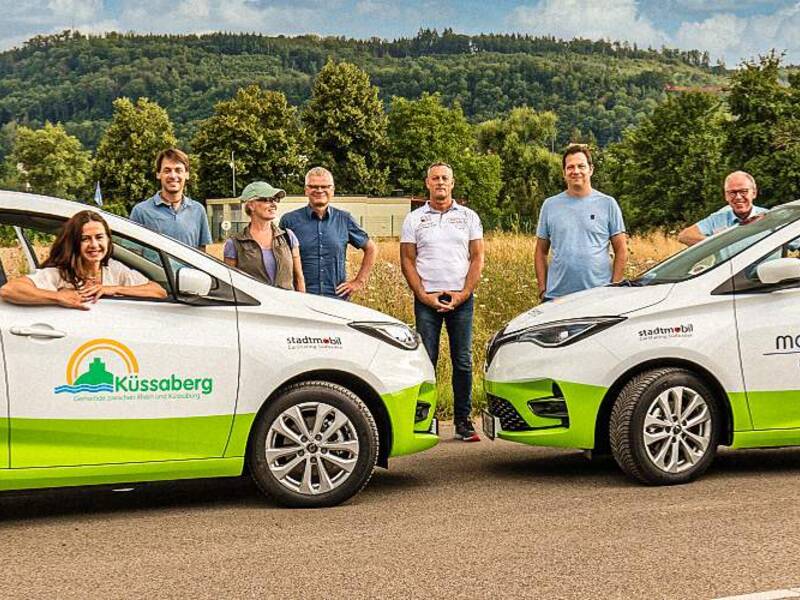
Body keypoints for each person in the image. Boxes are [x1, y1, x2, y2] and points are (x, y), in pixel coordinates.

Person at [400, 162, 485, 442]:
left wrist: (462, 294)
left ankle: (463, 422)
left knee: (462, 361)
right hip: (427, 299)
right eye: (435, 178)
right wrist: (423, 295)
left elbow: (477, 258)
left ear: (452, 183)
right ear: (427, 183)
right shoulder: (414, 219)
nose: (440, 182)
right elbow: (407, 260)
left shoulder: (469, 217)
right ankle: (425, 420)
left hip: (461, 298)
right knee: (427, 361)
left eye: (444, 178)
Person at [0, 210, 166, 309]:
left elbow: (159, 291)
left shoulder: (114, 270)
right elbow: (9, 290)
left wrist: (113, 289)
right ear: (74, 243)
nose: (94, 244)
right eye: (85, 239)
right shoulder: (58, 274)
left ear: (108, 240)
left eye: (99, 237)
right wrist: (58, 298)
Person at [535, 144, 627, 301]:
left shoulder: (608, 204)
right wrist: (543, 288)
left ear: (591, 169)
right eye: (570, 167)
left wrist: (614, 288)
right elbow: (540, 251)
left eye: (581, 166)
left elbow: (621, 250)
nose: (575, 171)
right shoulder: (550, 206)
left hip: (598, 296)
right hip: (556, 297)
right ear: (564, 172)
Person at [279, 167, 376, 299]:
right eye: (313, 186)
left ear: (333, 190)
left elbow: (371, 249)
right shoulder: (289, 221)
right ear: (306, 190)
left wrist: (358, 281)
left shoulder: (344, 219)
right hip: (301, 298)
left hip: (336, 298)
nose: (319, 190)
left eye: (325, 186)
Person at [223, 181, 305, 292]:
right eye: (267, 200)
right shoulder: (234, 243)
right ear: (251, 205)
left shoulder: (288, 237)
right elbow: (230, 285)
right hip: (255, 308)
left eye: (274, 200)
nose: (273, 204)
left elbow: (299, 279)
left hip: (286, 307)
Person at [129, 148, 212, 250]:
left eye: (178, 170)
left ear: (187, 174)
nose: (173, 176)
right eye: (167, 170)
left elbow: (202, 254)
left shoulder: (198, 210)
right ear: (158, 174)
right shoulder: (141, 212)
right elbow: (134, 253)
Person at [678, 171, 767, 246]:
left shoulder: (769, 217)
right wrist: (719, 243)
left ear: (754, 193)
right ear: (726, 196)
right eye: (732, 193)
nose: (738, 197)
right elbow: (684, 236)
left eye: (743, 191)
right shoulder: (718, 219)